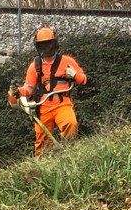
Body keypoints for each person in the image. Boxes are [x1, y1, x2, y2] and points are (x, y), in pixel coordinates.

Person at [7, 26, 88, 156]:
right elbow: (29, 88)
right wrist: (18, 92)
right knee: (42, 142)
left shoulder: (67, 61)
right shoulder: (35, 65)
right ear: (38, 46)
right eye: (43, 45)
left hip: (63, 104)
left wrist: (74, 75)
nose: (46, 47)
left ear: (54, 43)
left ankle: (68, 153)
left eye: (48, 44)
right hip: (43, 107)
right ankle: (42, 164)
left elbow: (83, 80)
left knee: (70, 123)